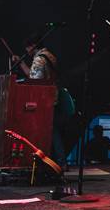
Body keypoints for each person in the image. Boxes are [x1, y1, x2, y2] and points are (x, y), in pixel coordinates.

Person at [11, 34, 70, 169]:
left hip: (43, 100)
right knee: (53, 131)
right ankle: (58, 161)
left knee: (49, 132)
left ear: (32, 46)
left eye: (28, 49)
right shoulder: (50, 55)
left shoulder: (39, 59)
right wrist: (21, 62)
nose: (28, 52)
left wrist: (20, 64)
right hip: (53, 97)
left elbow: (34, 80)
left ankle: (58, 162)